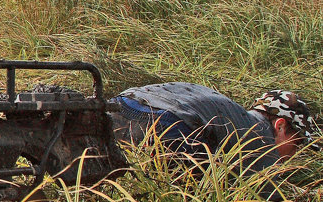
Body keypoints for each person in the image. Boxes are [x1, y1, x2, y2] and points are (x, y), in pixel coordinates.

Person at [108, 82, 319, 175]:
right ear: (280, 126)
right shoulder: (261, 138)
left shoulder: (232, 113)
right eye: (297, 143)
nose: (294, 154)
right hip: (165, 121)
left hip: (121, 105)